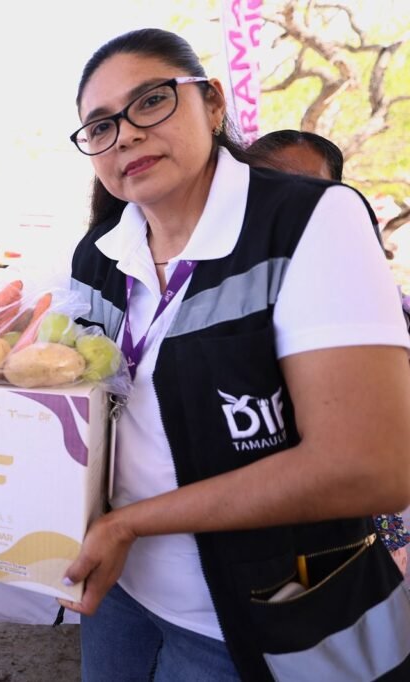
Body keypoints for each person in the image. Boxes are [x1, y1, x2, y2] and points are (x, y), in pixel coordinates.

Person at [62, 28, 410, 680]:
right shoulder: (100, 252)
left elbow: (369, 467)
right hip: (118, 595)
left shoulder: (311, 219)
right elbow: (80, 402)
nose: (126, 135)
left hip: (256, 614)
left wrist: (131, 524)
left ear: (214, 102)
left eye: (152, 101)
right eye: (101, 126)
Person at [248, 129, 410, 575]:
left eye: (305, 189)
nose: (285, 202)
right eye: (265, 184)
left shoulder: (368, 295)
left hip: (360, 542)